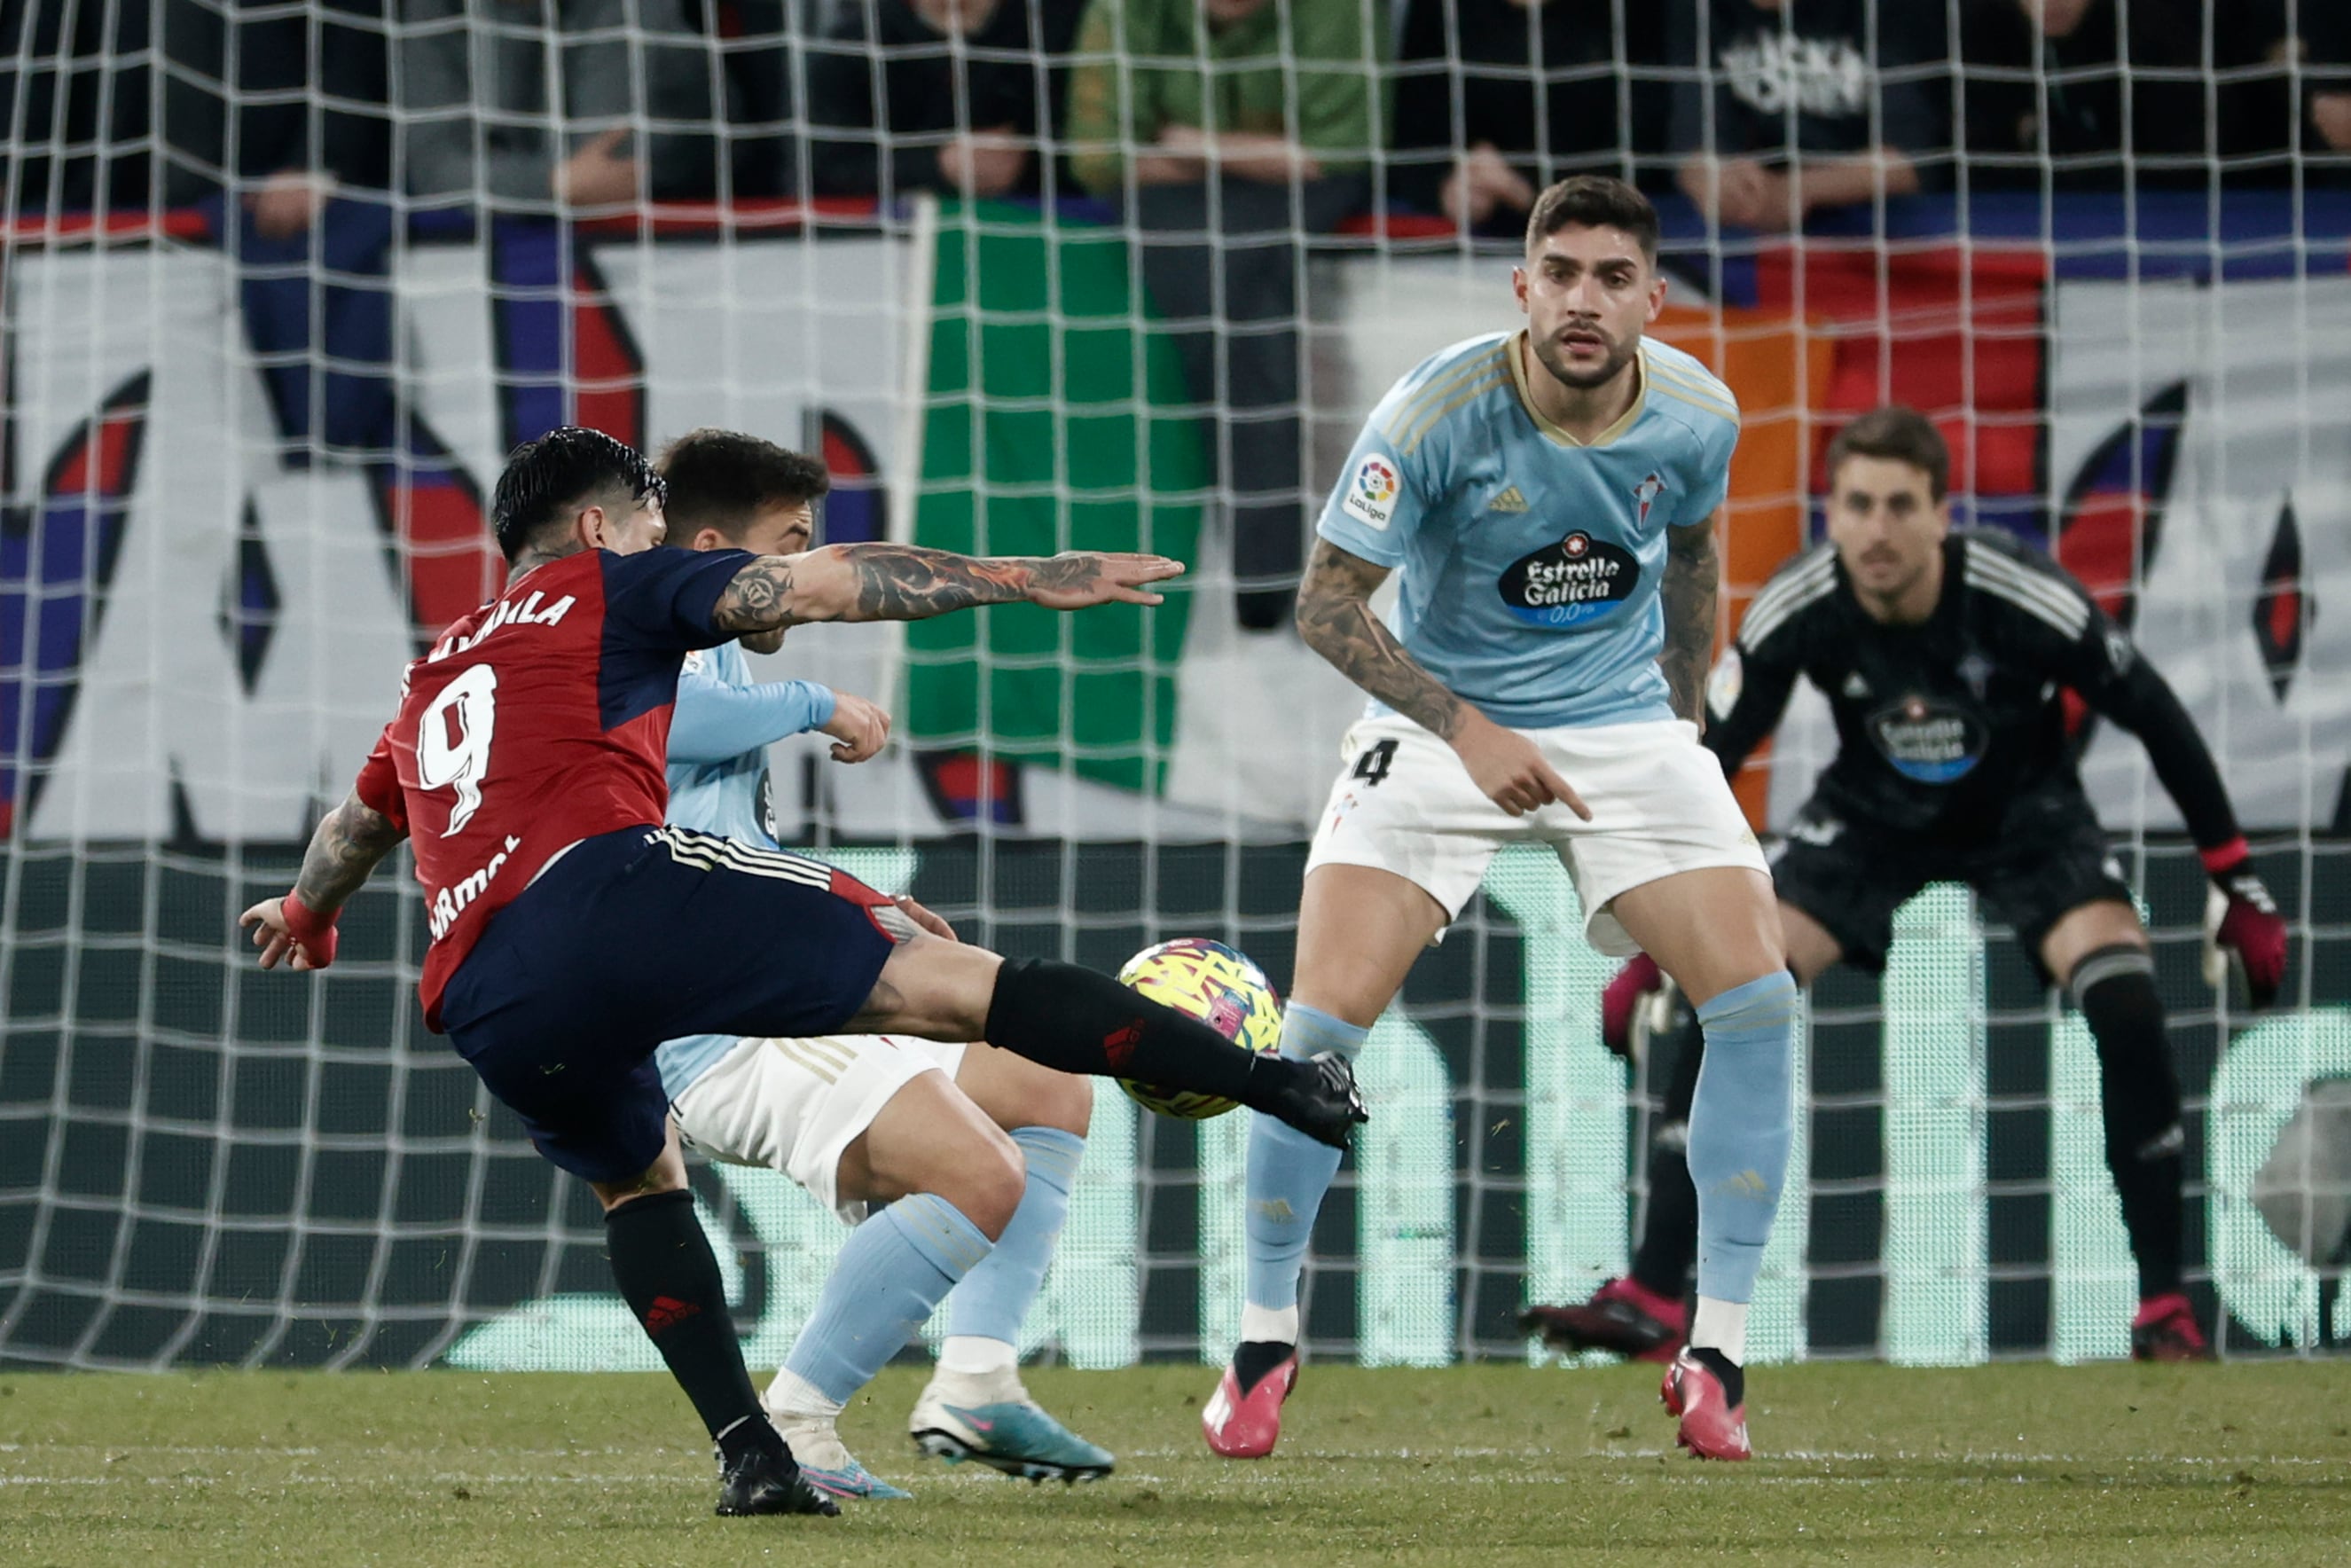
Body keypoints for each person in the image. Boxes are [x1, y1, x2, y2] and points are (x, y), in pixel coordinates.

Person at [238, 426, 1365, 1516]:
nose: (665, 547)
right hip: (617, 900)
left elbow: (355, 825)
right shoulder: (609, 587)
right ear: (595, 528)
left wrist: (306, 912)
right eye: (648, 529)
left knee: (639, 1186)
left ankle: (755, 1454)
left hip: (484, 988)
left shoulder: (436, 666)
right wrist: (1026, 577)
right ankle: (1283, 1086)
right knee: (950, 984)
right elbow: (823, 583)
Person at [1203, 176, 1795, 1463]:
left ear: (1650, 297)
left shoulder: (1697, 412)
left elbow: (1689, 553)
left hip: (1622, 727)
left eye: (1611, 277)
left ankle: (1719, 1354)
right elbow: (1323, 604)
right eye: (1560, 272)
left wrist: (1683, 722)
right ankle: (1258, 1342)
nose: (1584, 298)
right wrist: (1469, 735)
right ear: (1519, 288)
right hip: (1437, 726)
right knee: (1313, 1036)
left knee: (1757, 1002)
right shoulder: (1434, 412)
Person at [1521, 406, 2290, 1366]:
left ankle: (2164, 1308)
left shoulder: (2017, 594)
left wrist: (2233, 876)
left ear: (1940, 514)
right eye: (1855, 506)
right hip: (1868, 820)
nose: (1875, 529)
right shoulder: (1800, 602)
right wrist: (1650, 939)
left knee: (2126, 1004)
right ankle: (1650, 1295)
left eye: (1897, 506)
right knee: (1726, 989)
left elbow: (2151, 710)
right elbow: (1702, 758)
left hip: (2025, 816)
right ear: (1829, 513)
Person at [649, 429, 1112, 1498]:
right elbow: (662, 721)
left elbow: (726, 851)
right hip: (715, 1029)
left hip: (766, 983)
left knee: (1043, 1079)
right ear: (718, 548)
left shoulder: (710, 644)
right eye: (793, 549)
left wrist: (855, 898)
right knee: (978, 1171)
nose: (809, 579)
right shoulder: (649, 634)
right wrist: (818, 700)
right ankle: (797, 1427)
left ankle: (978, 1377)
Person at [1062, 0, 1386, 631]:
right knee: (1242, 305)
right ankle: (1262, 580)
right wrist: (1260, 154)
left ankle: (1236, 583)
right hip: (1176, 203)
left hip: (1276, 198)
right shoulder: (1124, 12)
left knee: (1221, 293)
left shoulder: (1338, 12)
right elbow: (1099, 158)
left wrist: (1189, 144)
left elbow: (1336, 154)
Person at [1390, 0, 1662, 237]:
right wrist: (1447, 187)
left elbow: (1645, 146)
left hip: (1598, 231)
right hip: (1464, 239)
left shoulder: (1626, 11)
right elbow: (1412, 134)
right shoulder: (1442, 8)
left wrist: (1527, 192)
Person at [1667, 0, 1946, 231]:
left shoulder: (1889, 10)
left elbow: (1913, 160)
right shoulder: (1701, 9)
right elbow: (1692, 135)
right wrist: (1713, 184)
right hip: (1759, 228)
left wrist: (1797, 190)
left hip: (1888, 230)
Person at [803, 0, 1085, 202]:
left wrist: (1023, 159)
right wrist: (936, 165)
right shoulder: (852, 48)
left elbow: (1096, 147)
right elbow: (825, 169)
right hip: (893, 241)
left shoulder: (1065, 28)